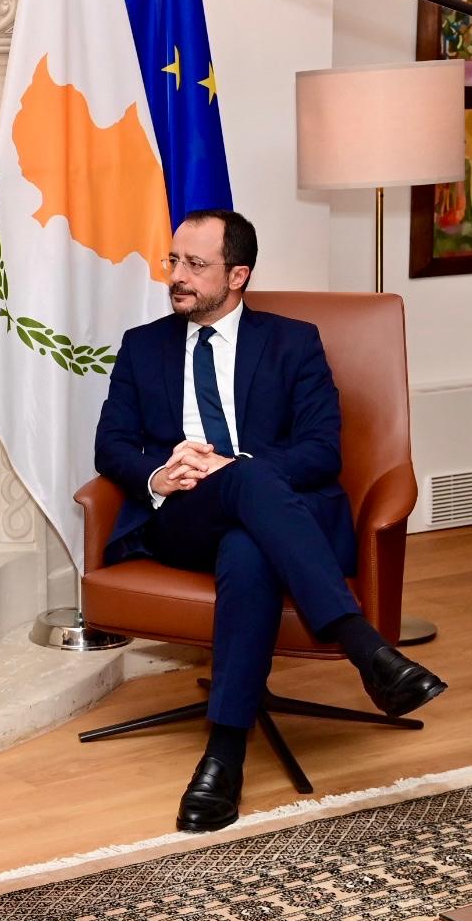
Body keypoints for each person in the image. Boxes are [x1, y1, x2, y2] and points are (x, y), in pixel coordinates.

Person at [93, 209, 447, 833]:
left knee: (248, 543)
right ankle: (366, 649)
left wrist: (234, 469)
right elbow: (111, 446)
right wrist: (161, 474)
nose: (177, 276)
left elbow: (322, 451)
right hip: (183, 518)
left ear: (238, 275)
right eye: (173, 261)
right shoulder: (143, 345)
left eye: (194, 264)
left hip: (266, 521)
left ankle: (223, 756)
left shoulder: (293, 342)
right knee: (243, 493)